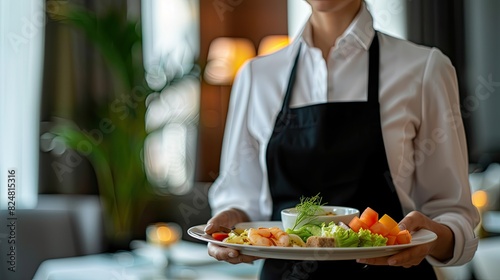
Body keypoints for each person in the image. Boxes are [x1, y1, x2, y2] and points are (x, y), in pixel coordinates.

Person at [204, 0, 480, 278]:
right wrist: (230, 221)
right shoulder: (256, 76)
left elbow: (453, 215)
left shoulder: (425, 68)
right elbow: (242, 198)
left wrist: (432, 238)